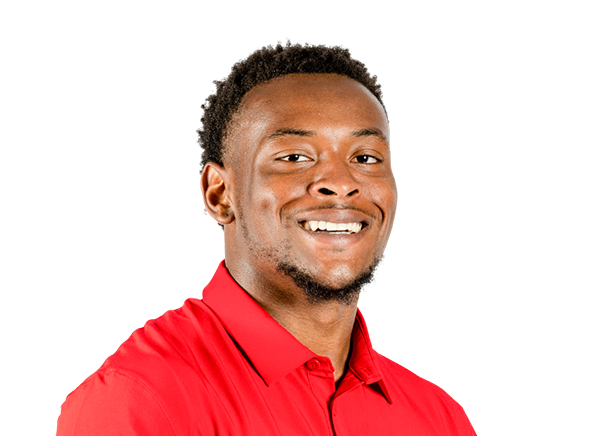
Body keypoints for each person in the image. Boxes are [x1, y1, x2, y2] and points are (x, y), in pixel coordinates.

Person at [57, 43, 476, 435]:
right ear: (220, 195)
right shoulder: (140, 400)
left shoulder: (439, 416)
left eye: (365, 158)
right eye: (293, 157)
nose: (340, 183)